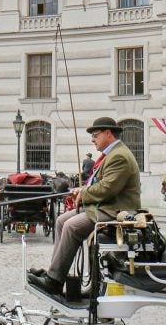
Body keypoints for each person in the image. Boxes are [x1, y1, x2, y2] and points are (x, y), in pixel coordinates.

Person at [27, 118, 142, 296]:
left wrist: (84, 193)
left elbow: (107, 188)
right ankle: (54, 273)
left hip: (117, 210)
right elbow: (101, 184)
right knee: (60, 221)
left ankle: (54, 281)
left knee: (72, 227)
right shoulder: (111, 155)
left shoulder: (119, 156)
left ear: (108, 134)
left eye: (95, 135)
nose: (92, 139)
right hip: (105, 206)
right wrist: (82, 190)